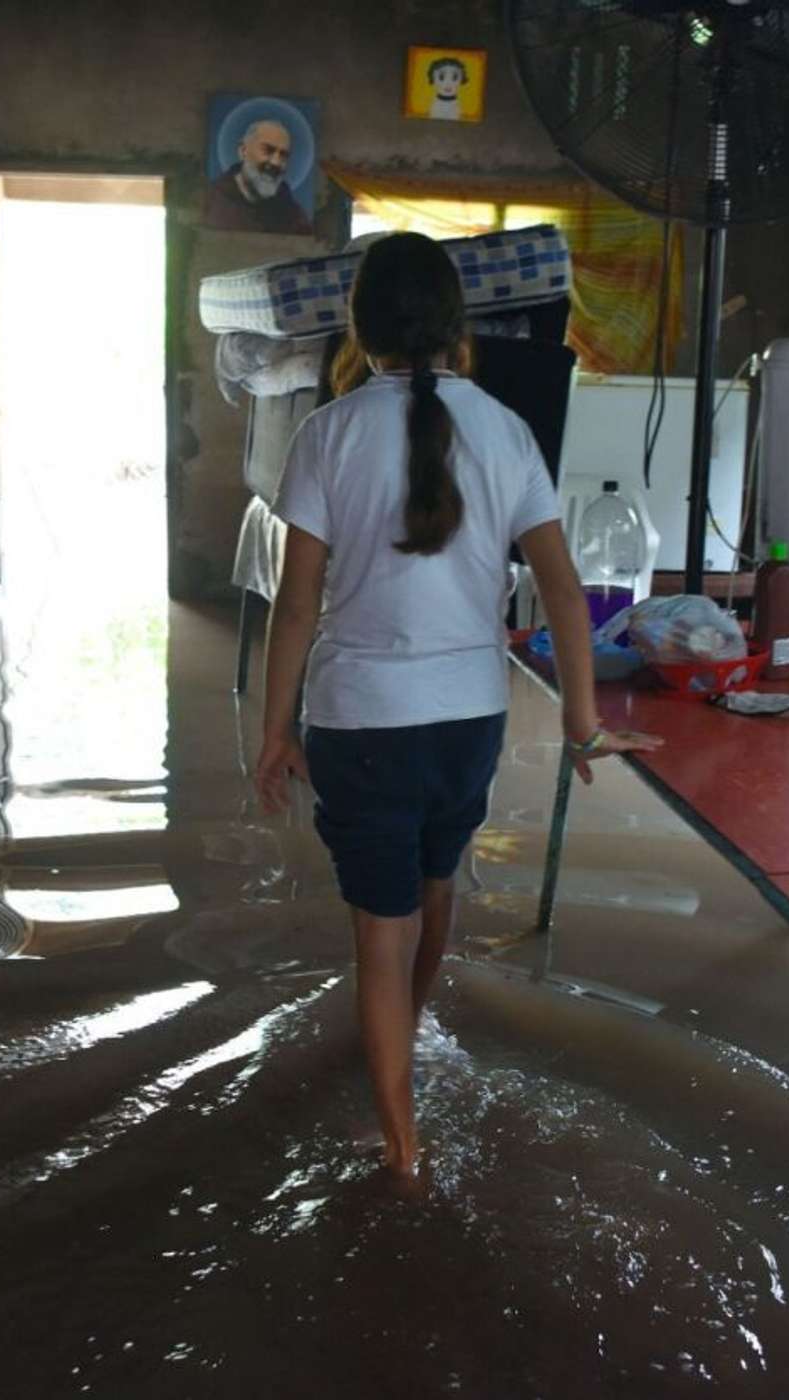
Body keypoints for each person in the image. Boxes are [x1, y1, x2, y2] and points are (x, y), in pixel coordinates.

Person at [254, 233, 663, 1183]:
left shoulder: (329, 433)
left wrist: (274, 731)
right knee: (436, 892)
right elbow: (565, 592)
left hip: (361, 725)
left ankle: (400, 1147)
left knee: (377, 938)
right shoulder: (508, 431)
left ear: (360, 329)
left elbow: (297, 604)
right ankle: (411, 1035)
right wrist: (579, 720)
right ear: (457, 329)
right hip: (469, 721)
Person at [203, 117, 314, 235]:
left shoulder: (296, 217)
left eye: (283, 155)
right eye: (268, 151)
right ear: (243, 151)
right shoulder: (209, 201)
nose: (276, 163)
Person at [426, 56, 469, 121]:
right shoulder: (435, 107)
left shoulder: (457, 108)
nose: (448, 83)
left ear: (462, 79)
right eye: (441, 77)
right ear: (432, 79)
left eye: (455, 77)